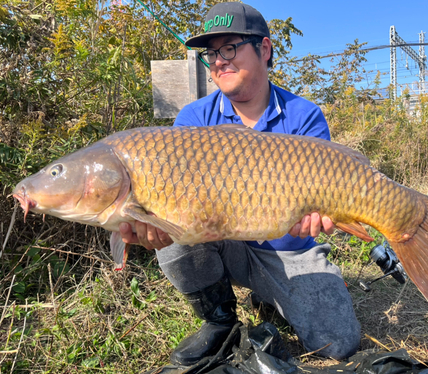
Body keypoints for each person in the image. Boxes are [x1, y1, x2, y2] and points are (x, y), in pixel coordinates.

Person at [120, 2, 360, 366]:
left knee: (339, 341)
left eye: (230, 47)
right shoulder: (194, 118)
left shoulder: (303, 115)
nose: (218, 61)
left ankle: (271, 295)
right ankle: (220, 321)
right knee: (167, 220)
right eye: (211, 53)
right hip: (221, 246)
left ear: (264, 49)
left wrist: (321, 218)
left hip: (287, 251)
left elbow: (319, 213)